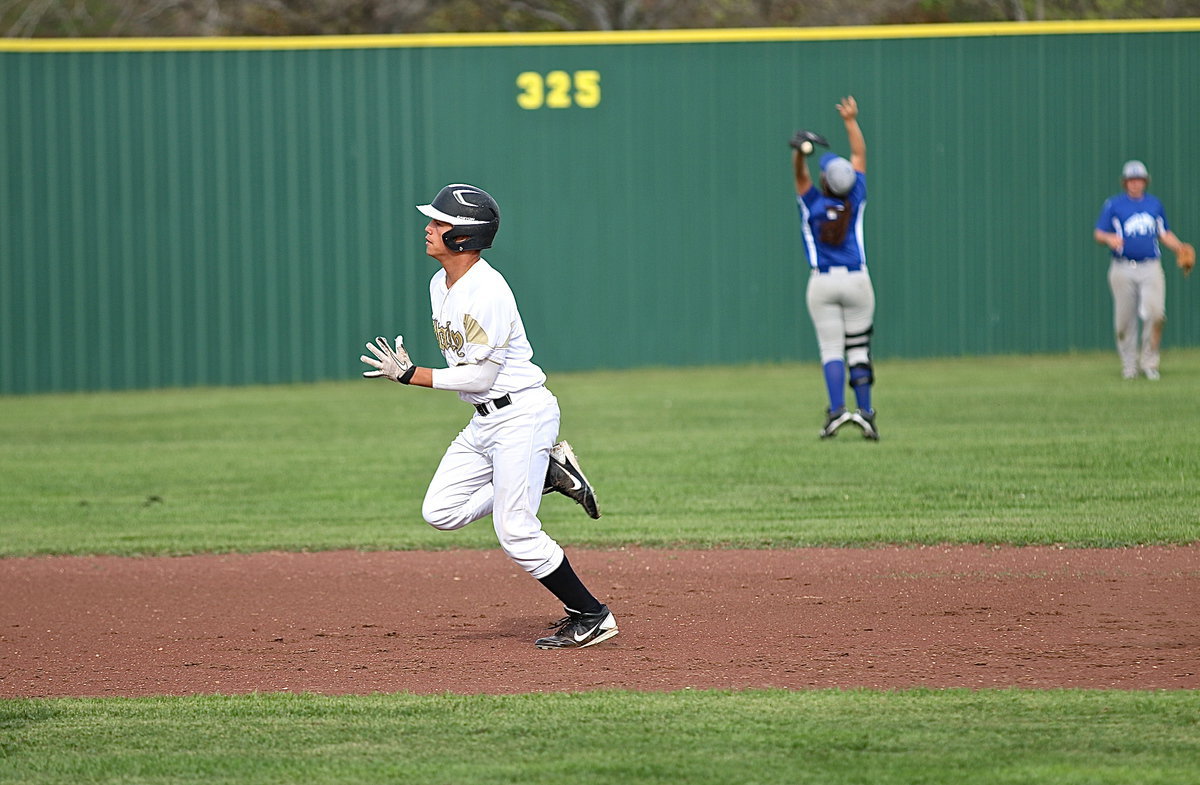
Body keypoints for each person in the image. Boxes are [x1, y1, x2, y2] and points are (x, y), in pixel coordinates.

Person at [359, 183, 618, 650]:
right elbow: (471, 379)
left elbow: (479, 377)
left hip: (522, 414)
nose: (429, 228)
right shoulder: (441, 283)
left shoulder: (488, 293)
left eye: (440, 223)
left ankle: (592, 614)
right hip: (486, 420)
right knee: (440, 511)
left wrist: (410, 375)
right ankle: (545, 477)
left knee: (515, 530)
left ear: (465, 236)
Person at [790, 96, 878, 441]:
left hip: (822, 283)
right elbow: (859, 156)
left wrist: (800, 153)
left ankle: (837, 411)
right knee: (858, 348)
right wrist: (851, 121)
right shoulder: (854, 197)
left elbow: (800, 176)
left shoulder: (813, 202)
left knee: (831, 349)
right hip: (857, 280)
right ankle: (867, 413)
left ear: (824, 181)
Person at [1093, 160, 1195, 380]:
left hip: (1150, 266)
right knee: (1124, 320)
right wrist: (1109, 238)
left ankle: (1149, 362)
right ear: (1125, 182)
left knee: (1156, 313)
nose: (1135, 184)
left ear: (1145, 182)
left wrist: (1179, 247)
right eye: (1131, 180)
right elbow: (1099, 233)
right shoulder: (1114, 205)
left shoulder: (1154, 204)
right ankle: (1129, 366)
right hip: (1122, 267)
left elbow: (1163, 232)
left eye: (1139, 179)